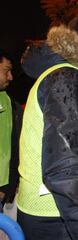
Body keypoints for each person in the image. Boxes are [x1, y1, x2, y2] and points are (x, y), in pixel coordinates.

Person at [17, 14, 78, 240]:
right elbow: (64, 167)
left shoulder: (62, 76)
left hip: (60, 215)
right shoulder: (68, 78)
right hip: (61, 219)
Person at [0, 49, 22, 212]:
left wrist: (8, 186)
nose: (11, 77)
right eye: (6, 70)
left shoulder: (10, 105)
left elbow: (13, 147)